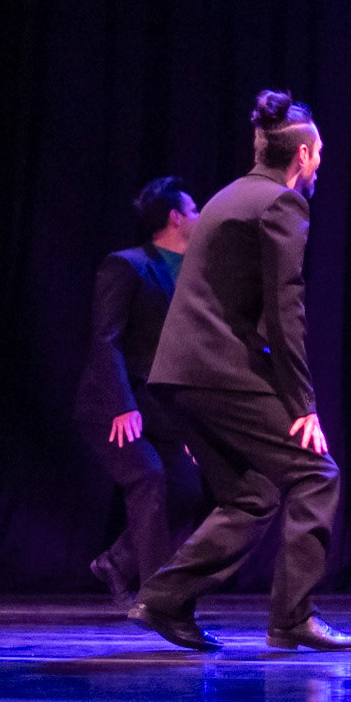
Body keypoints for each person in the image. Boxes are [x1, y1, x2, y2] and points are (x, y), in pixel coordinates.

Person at [129, 90, 351, 652]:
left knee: (252, 494)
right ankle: (293, 619)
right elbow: (285, 310)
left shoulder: (227, 196)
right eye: (320, 153)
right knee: (316, 473)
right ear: (303, 155)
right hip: (215, 369)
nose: (321, 164)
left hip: (182, 373)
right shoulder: (281, 204)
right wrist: (302, 405)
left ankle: (163, 599)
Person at [74, 176, 204, 610]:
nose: (200, 215)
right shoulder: (127, 265)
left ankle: (116, 562)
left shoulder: (193, 275)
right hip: (113, 406)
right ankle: (159, 600)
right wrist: (122, 406)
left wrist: (189, 427)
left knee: (186, 487)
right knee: (148, 476)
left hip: (160, 409)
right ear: (176, 217)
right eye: (194, 209)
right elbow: (106, 339)